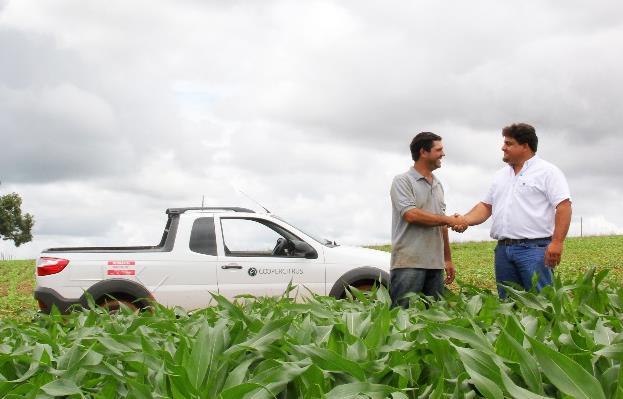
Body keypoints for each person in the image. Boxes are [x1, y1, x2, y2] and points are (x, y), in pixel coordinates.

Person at [453, 123, 572, 297]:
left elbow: (564, 206)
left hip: (534, 250)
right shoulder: (501, 175)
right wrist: (465, 219)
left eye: (509, 144)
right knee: (508, 306)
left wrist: (557, 242)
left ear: (525, 146)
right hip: (503, 250)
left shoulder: (548, 172)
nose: (503, 147)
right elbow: (486, 206)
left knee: (541, 303)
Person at [389, 132, 461, 308]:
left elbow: (441, 224)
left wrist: (447, 259)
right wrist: (448, 219)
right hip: (408, 263)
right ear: (423, 152)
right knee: (402, 316)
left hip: (435, 265)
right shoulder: (402, 181)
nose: (443, 154)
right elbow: (410, 215)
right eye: (439, 150)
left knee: (433, 319)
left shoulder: (438, 184)